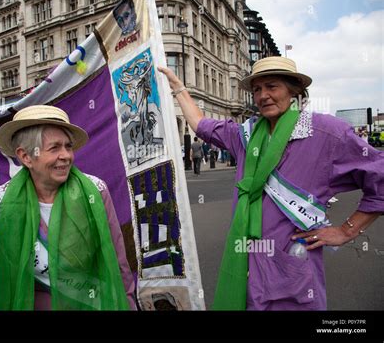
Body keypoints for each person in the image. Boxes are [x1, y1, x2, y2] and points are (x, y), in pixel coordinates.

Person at [158, 57, 384, 310]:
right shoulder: (245, 134)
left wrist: (347, 231)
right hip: (247, 263)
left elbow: (380, 177)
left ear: (294, 91)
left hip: (292, 267)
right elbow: (201, 124)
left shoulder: (326, 132)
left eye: (272, 86)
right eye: (256, 89)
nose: (263, 95)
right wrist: (179, 89)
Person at [0, 105, 136, 310]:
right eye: (54, 148)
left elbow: (118, 264)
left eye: (68, 146)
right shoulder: (0, 205)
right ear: (25, 156)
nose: (66, 156)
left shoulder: (95, 193)